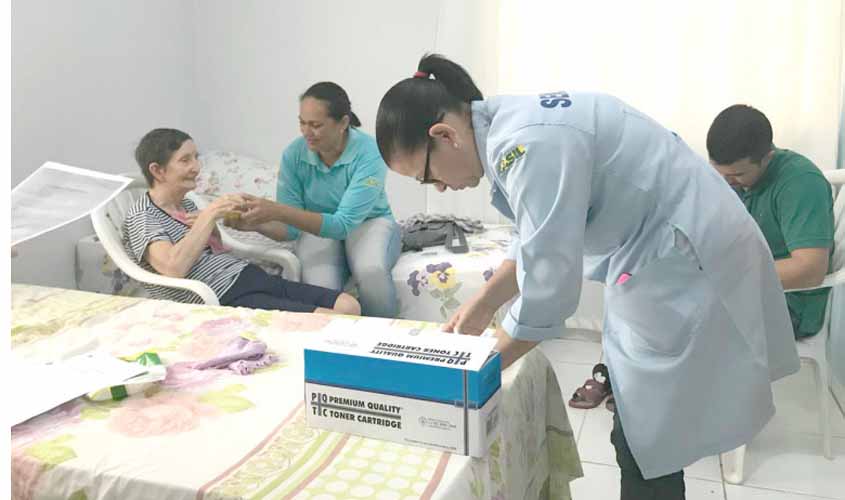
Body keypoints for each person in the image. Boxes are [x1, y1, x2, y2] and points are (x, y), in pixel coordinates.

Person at [375, 54, 799, 499]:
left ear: (445, 136)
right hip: (662, 251)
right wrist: (480, 305)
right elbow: (534, 237)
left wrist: (467, 378)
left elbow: (549, 289)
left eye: (427, 175)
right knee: (641, 426)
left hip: (687, 257)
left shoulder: (524, 145)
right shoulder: (506, 127)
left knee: (646, 435)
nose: (438, 188)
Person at [123, 128, 360, 316]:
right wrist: (209, 214)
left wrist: (219, 222)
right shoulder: (142, 217)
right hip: (224, 295)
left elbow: (213, 249)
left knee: (349, 305)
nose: (196, 167)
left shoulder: (186, 204)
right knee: (334, 320)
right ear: (158, 171)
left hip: (248, 276)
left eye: (196, 157)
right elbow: (173, 269)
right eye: (185, 160)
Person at [238, 82, 401, 318]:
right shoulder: (294, 154)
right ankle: (335, 345)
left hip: (368, 222)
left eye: (315, 125)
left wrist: (276, 210)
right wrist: (256, 223)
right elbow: (292, 230)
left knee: (371, 270)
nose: (306, 132)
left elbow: (342, 224)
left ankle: (385, 337)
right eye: (302, 123)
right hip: (316, 229)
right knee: (320, 288)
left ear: (343, 123)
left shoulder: (370, 152)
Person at [707, 104, 835, 338]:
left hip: (790, 305)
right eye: (720, 173)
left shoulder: (800, 183)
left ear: (767, 158)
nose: (727, 182)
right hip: (745, 289)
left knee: (688, 330)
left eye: (738, 175)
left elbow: (810, 269)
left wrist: (729, 275)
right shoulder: (734, 180)